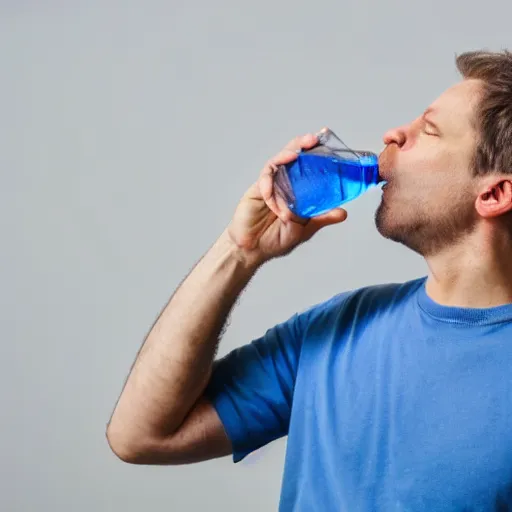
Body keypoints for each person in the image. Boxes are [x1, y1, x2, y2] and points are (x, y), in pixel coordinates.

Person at [106, 49, 512, 511]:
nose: (394, 134)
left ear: (494, 192)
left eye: (430, 130)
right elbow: (140, 436)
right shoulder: (340, 327)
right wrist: (239, 252)